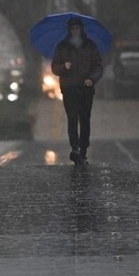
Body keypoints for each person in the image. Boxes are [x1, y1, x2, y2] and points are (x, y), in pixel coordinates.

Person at [51, 16, 104, 165]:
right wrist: (64, 67)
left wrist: (92, 79)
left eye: (77, 28)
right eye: (73, 29)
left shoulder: (90, 46)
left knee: (85, 119)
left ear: (81, 29)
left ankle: (83, 149)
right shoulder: (62, 47)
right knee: (72, 118)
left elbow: (98, 65)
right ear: (69, 30)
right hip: (69, 88)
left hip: (86, 88)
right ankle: (75, 148)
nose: (75, 31)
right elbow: (55, 68)